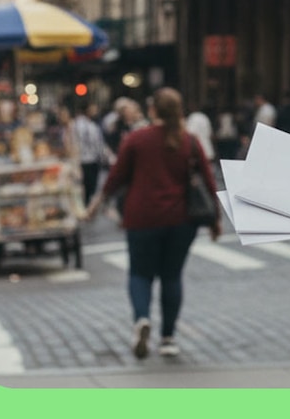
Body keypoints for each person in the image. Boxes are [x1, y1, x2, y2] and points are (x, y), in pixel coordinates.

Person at [83, 87, 221, 360]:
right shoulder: (190, 141)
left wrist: (95, 206)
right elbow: (208, 180)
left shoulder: (137, 139)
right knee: (172, 276)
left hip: (142, 218)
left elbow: (115, 177)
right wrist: (215, 219)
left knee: (140, 274)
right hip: (181, 220)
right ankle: (168, 338)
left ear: (152, 110)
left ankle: (142, 319)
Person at [72, 101, 112, 207]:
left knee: (91, 183)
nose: (95, 111)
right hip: (86, 158)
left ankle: (89, 203)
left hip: (92, 158)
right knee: (88, 183)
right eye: (93, 109)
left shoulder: (90, 124)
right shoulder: (82, 124)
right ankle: (87, 204)